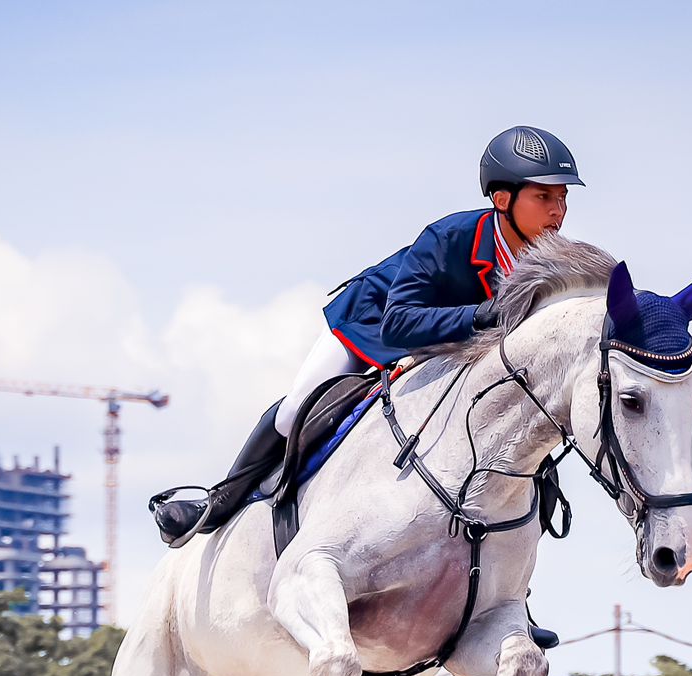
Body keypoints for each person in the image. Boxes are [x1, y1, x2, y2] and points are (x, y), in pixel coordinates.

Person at [150, 125, 584, 546]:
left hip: (456, 350)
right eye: (544, 196)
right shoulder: (449, 238)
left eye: (562, 198)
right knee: (297, 408)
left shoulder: (553, 262)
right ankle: (216, 503)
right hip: (375, 323)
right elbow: (400, 323)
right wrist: (480, 315)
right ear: (502, 198)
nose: (557, 211)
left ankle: (511, 590)